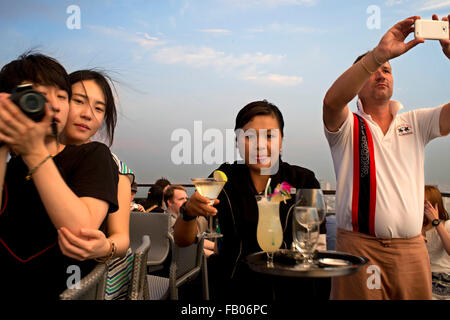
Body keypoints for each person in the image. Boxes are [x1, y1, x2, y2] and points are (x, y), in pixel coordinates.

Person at [322, 15, 450, 299]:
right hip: (359, 248)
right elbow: (331, 102)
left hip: (411, 250)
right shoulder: (348, 126)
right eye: (373, 70)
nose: (381, 74)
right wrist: (378, 54)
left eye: (388, 70)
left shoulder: (416, 122)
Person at [174, 100, 329, 300]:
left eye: (270, 136)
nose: (260, 144)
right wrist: (188, 212)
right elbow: (182, 239)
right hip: (234, 288)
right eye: (249, 136)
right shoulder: (224, 178)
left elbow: (318, 244)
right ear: (237, 141)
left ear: (281, 141)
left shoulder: (302, 180)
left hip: (294, 288)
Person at [0, 53, 119, 299]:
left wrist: (34, 149)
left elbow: (81, 230)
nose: (53, 105)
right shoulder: (13, 164)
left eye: (61, 97)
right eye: (37, 96)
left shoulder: (94, 154)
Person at [56, 70, 136, 300]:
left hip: (96, 275)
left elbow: (121, 237)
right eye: (78, 101)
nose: (87, 114)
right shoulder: (34, 157)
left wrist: (105, 248)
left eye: (99, 108)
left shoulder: (111, 164)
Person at [422, 185, 450, 300]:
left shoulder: (446, 225)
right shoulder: (413, 227)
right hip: (420, 273)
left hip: (442, 275)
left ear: (434, 204)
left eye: (424, 203)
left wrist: (436, 223)